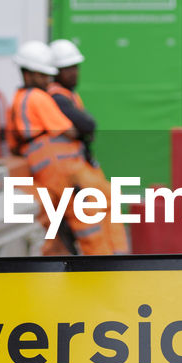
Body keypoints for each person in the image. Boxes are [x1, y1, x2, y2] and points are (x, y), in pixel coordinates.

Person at [6, 40, 113, 256]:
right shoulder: (39, 98)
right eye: (43, 75)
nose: (48, 80)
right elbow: (72, 130)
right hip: (60, 170)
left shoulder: (19, 99)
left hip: (45, 170)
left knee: (57, 225)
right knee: (86, 218)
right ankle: (99, 266)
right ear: (28, 74)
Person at [48, 39, 130, 254]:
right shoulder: (57, 97)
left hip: (79, 166)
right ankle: (102, 262)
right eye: (68, 69)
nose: (74, 73)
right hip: (69, 172)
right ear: (55, 72)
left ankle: (115, 256)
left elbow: (86, 127)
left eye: (75, 68)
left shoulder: (68, 96)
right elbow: (87, 124)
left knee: (107, 205)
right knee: (92, 217)